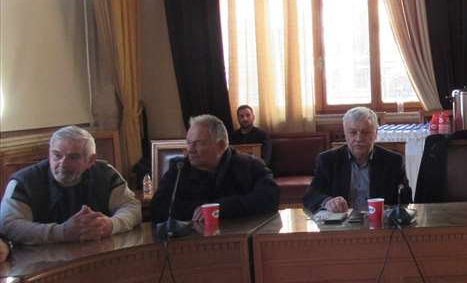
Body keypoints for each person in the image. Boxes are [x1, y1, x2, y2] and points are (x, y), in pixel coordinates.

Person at [0, 126, 141, 244]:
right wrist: (62, 232)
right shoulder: (23, 182)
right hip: (40, 261)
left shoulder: (105, 174)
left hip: (97, 253)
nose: (63, 163)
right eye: (57, 155)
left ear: (91, 160)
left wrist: (111, 225)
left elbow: (132, 207)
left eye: (73, 157)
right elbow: (8, 225)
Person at [151, 114, 280, 228]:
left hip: (240, 236)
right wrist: (200, 210)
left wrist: (219, 208)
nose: (190, 149)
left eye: (198, 143)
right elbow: (159, 208)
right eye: (189, 143)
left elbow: (270, 198)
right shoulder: (179, 169)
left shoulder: (249, 165)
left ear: (221, 146)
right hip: (191, 241)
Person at [304, 107, 410, 212]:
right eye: (353, 132)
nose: (359, 138)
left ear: (375, 134)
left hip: (379, 220)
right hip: (342, 221)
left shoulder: (393, 161)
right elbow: (311, 196)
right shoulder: (328, 160)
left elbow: (405, 199)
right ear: (345, 134)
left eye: (365, 132)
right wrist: (327, 201)